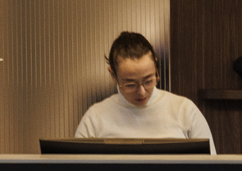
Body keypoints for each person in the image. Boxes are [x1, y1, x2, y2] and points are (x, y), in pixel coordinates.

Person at [74, 32, 214, 147]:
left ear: (156, 68)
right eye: (130, 85)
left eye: (148, 81)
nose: (141, 91)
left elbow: (211, 169)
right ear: (113, 75)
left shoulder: (184, 110)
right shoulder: (95, 118)